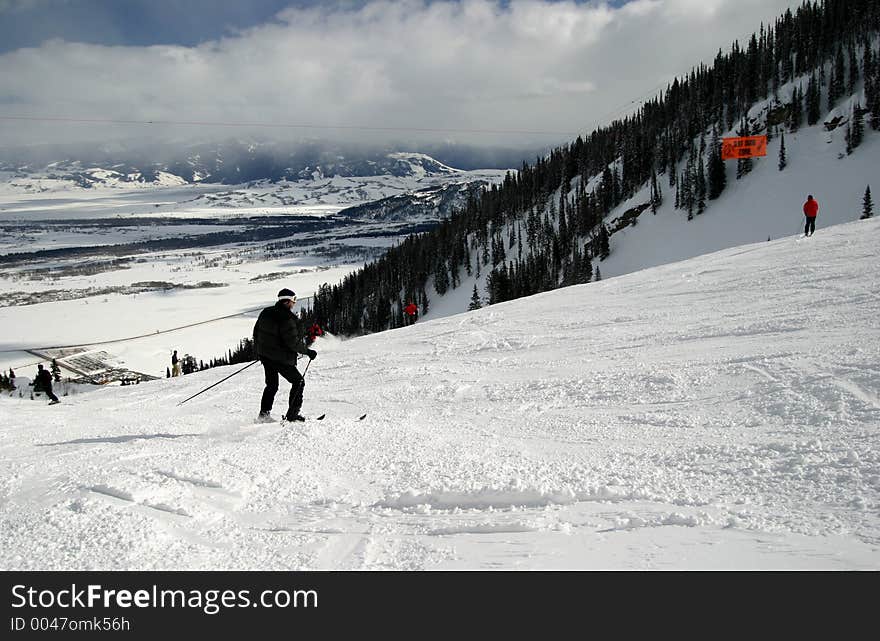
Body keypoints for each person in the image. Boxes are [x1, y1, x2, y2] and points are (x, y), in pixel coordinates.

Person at [253, 288, 317, 423]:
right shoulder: (287, 318)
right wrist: (308, 352)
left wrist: (260, 350)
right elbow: (292, 343)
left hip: (266, 355)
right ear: (287, 301)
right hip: (280, 358)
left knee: (271, 385)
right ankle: (292, 416)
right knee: (298, 382)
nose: (294, 304)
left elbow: (256, 332)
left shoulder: (266, 312)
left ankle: (263, 415)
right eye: (293, 300)